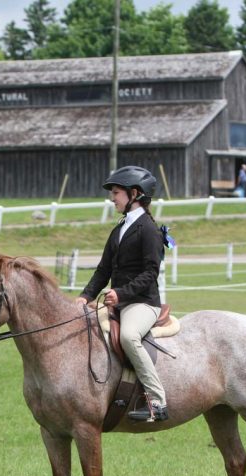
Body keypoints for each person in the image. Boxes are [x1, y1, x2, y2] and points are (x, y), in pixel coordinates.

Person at [75, 166, 168, 422]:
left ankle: (157, 401)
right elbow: (104, 269)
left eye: (116, 193)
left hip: (143, 303)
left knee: (128, 336)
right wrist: (86, 295)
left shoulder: (148, 229)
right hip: (120, 301)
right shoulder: (119, 229)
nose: (112, 198)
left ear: (134, 194)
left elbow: (151, 272)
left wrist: (121, 293)